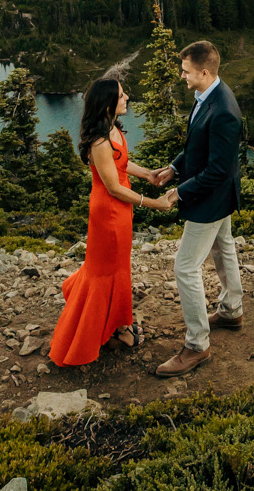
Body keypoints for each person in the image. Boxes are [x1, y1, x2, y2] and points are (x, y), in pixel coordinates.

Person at [132, 40, 244, 377]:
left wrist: (179, 193)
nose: (182, 76)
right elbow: (198, 144)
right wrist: (175, 168)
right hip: (217, 196)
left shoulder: (223, 109)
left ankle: (197, 345)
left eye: (186, 71)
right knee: (224, 249)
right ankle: (231, 310)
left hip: (210, 199)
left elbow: (219, 170)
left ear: (205, 72)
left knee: (184, 267)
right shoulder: (207, 95)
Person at [47, 77, 176, 367]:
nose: (127, 97)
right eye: (121, 95)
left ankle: (118, 323)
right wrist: (153, 203)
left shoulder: (112, 129)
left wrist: (148, 174)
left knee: (117, 268)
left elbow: (121, 163)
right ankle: (118, 329)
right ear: (107, 104)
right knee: (108, 270)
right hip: (108, 214)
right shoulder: (99, 141)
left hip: (119, 213)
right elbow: (114, 187)